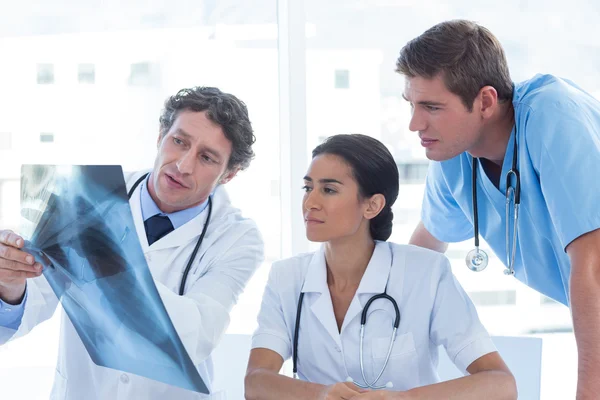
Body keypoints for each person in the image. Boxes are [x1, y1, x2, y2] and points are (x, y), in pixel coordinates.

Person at [0, 86, 265, 399]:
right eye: (179, 141)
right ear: (160, 136)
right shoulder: (85, 195)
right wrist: (10, 282)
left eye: (207, 158)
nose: (183, 165)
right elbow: (35, 298)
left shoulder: (239, 239)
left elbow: (197, 336)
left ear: (228, 175)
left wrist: (114, 263)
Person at [397, 19, 600, 399]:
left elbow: (593, 268)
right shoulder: (453, 154)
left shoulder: (553, 117)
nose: (414, 124)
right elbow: (423, 252)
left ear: (486, 102)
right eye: (411, 104)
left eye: (432, 106)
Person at [245, 134, 516, 400]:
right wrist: (322, 394)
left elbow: (501, 384)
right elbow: (256, 382)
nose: (310, 203)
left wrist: (403, 398)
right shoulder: (287, 277)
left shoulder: (427, 273)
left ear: (372, 205)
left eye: (328, 190)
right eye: (308, 188)